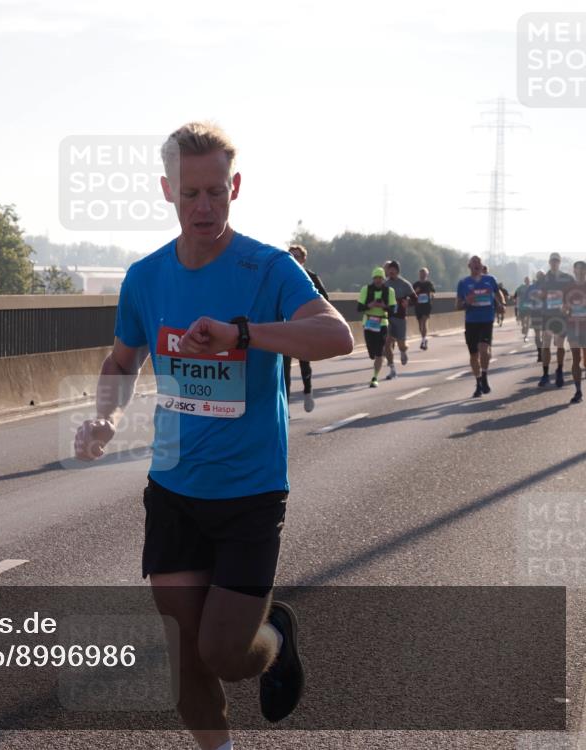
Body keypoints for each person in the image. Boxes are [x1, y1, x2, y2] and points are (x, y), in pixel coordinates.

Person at [74, 122, 353, 749]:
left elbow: (338, 336)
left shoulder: (267, 267)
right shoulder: (145, 278)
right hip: (173, 490)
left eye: (216, 192)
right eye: (191, 193)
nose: (204, 207)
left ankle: (274, 637)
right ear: (168, 190)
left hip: (250, 493)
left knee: (226, 653)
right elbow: (122, 361)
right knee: (187, 658)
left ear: (235, 186)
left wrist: (244, 334)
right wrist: (107, 419)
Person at [283, 244, 329, 412]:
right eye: (290, 256)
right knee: (284, 369)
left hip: (304, 327)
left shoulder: (311, 277)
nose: (293, 259)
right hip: (286, 329)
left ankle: (308, 391)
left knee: (304, 362)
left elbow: (325, 300)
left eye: (297, 256)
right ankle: (285, 407)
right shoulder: (281, 277)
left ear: (303, 259)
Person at [456, 255, 505, 398]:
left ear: (482, 266)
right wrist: (467, 302)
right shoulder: (463, 283)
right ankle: (478, 382)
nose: (477, 265)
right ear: (469, 266)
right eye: (474, 263)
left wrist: (502, 304)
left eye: (479, 262)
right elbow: (457, 305)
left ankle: (484, 375)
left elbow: (498, 293)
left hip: (486, 320)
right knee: (473, 355)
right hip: (471, 321)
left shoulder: (490, 280)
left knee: (484, 349)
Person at [539, 252, 575, 388]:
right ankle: (545, 374)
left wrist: (568, 305)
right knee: (546, 344)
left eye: (556, 261)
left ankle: (559, 370)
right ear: (549, 262)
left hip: (562, 316)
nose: (554, 263)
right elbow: (539, 296)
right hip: (547, 315)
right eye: (552, 261)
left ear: (559, 263)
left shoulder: (567, 278)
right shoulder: (544, 278)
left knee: (560, 344)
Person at [358, 267, 396, 387]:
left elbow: (393, 310)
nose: (378, 280)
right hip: (368, 322)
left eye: (380, 278)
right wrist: (370, 305)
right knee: (371, 352)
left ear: (383, 279)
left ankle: (374, 377)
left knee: (379, 352)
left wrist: (384, 306)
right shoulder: (366, 289)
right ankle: (375, 356)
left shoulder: (389, 291)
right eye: (376, 278)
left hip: (382, 323)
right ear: (373, 279)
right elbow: (359, 308)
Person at [381, 260, 416, 380]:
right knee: (387, 343)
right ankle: (392, 369)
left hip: (400, 318)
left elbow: (415, 299)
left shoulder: (405, 284)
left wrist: (409, 302)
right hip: (388, 317)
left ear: (397, 271)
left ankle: (403, 351)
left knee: (401, 345)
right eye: (388, 270)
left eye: (392, 270)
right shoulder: (385, 285)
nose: (390, 272)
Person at [564, 260, 586, 404]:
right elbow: (564, 307)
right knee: (575, 358)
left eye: (582, 269)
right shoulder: (569, 288)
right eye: (577, 269)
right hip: (573, 326)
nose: (579, 272)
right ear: (574, 271)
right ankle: (578, 391)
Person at [412, 267, 435, 350]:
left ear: (427, 275)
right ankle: (423, 338)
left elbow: (433, 292)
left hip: (426, 305)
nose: (422, 275)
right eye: (421, 273)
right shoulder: (415, 284)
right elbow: (412, 294)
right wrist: (416, 291)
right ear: (419, 274)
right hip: (418, 306)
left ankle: (424, 340)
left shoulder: (429, 284)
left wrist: (432, 296)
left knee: (424, 322)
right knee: (420, 323)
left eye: (424, 274)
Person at [527, 271, 547, 362]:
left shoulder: (531, 287)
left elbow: (527, 301)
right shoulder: (547, 286)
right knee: (542, 334)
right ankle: (541, 351)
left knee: (538, 334)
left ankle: (540, 352)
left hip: (536, 312)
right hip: (543, 313)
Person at [513, 275, 531, 342]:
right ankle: (523, 327)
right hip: (522, 307)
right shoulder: (521, 287)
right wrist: (516, 300)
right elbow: (516, 295)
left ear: (530, 281)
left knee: (528, 321)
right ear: (524, 281)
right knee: (523, 321)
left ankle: (526, 335)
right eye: (526, 280)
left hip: (530, 307)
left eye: (528, 280)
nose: (527, 281)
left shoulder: (532, 287)